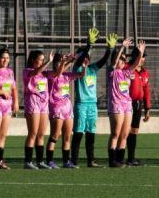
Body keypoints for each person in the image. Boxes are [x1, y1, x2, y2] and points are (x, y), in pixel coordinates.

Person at [70, 28, 113, 168]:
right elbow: (80, 60)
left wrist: (109, 49)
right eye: (84, 57)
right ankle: (74, 161)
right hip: (81, 105)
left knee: (91, 133)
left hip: (92, 105)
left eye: (88, 57)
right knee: (78, 132)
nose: (87, 59)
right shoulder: (76, 69)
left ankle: (91, 160)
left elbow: (103, 61)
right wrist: (89, 45)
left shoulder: (93, 68)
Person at [107, 37, 146, 168]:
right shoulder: (113, 72)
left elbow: (135, 64)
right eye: (121, 59)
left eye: (124, 60)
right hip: (116, 105)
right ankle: (112, 161)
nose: (122, 61)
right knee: (115, 133)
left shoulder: (126, 73)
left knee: (124, 134)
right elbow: (114, 62)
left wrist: (140, 52)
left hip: (127, 105)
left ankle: (120, 160)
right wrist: (122, 47)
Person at [45, 52, 83, 169]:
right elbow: (58, 72)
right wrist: (65, 61)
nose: (60, 63)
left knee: (67, 136)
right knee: (55, 135)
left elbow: (81, 74)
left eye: (61, 61)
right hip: (56, 108)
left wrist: (82, 63)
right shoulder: (51, 74)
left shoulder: (66, 75)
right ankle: (49, 161)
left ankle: (66, 161)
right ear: (55, 63)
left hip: (67, 108)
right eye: (59, 61)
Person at [23, 49, 53, 170]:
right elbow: (35, 73)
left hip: (43, 105)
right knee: (33, 133)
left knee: (41, 134)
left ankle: (40, 161)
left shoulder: (44, 73)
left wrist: (66, 62)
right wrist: (48, 62)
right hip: (32, 103)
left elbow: (57, 73)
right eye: (39, 60)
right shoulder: (27, 71)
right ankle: (28, 161)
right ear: (32, 60)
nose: (41, 62)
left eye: (42, 60)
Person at [126, 50, 152, 166]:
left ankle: (131, 158)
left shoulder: (145, 72)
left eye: (144, 57)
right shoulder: (128, 68)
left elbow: (146, 91)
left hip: (138, 104)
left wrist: (147, 109)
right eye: (141, 56)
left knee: (134, 131)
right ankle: (118, 156)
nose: (143, 59)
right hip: (127, 104)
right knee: (124, 131)